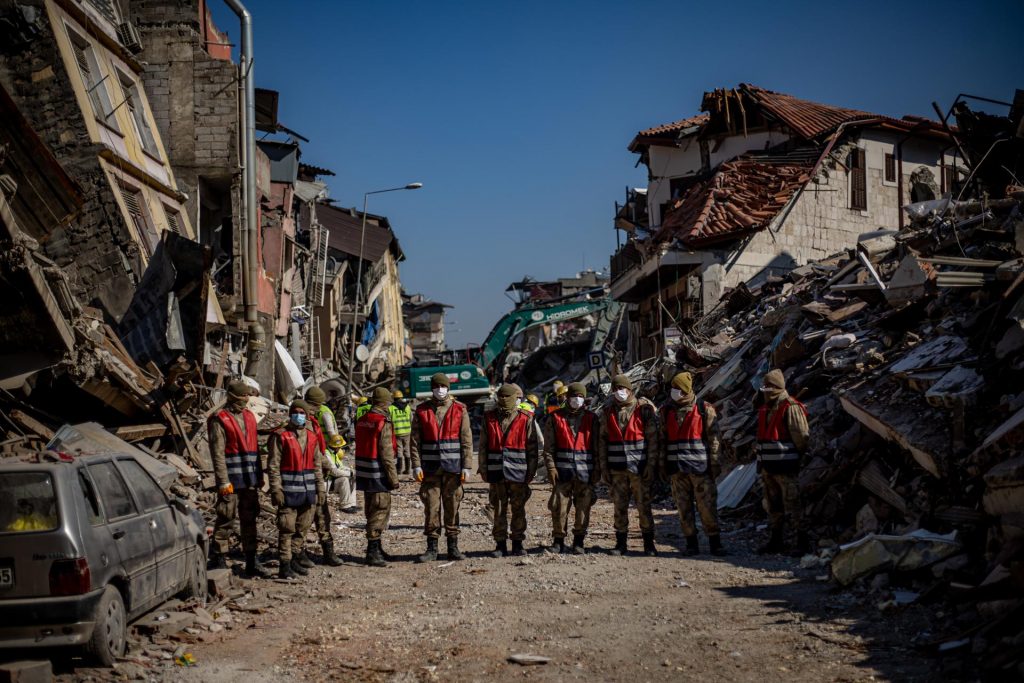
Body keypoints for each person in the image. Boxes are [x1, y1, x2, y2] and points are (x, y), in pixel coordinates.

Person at [207, 380, 271, 577]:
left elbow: (256, 450)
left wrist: (260, 477)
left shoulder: (249, 417)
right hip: (231, 479)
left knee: (250, 518)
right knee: (226, 515)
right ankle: (218, 556)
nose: (246, 401)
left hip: (249, 478)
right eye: (243, 397)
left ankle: (252, 560)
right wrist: (223, 481)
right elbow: (217, 453)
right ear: (234, 397)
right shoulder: (219, 419)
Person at [660, 372, 726, 556]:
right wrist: (662, 465)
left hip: (700, 470)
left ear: (685, 390)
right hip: (677, 469)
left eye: (677, 388)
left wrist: (714, 464)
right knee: (683, 509)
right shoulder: (667, 411)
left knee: (707, 507)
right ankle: (691, 543)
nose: (674, 392)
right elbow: (662, 440)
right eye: (672, 388)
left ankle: (715, 542)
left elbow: (714, 440)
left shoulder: (704, 409)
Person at [410, 372, 474, 562]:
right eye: (436, 386)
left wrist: (467, 466)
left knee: (453, 506)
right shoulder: (421, 411)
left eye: (443, 386)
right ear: (432, 389)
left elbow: (466, 440)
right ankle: (432, 548)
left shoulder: (459, 409)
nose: (440, 390)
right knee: (431, 507)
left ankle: (453, 547)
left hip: (453, 469)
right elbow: (414, 442)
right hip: (429, 469)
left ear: (448, 388)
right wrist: (415, 465)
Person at [597, 374, 660, 556]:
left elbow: (653, 440)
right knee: (619, 506)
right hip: (617, 469)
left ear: (629, 390)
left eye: (621, 389)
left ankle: (649, 544)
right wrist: (604, 468)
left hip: (639, 468)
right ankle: (620, 543)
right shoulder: (608, 412)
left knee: (643, 505)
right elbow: (602, 442)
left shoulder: (643, 410)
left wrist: (651, 465)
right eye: (615, 389)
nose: (619, 393)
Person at [479, 383, 540, 557]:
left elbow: (532, 448)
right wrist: (483, 468)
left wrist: (531, 472)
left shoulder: (525, 418)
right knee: (498, 509)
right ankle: (500, 544)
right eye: (501, 396)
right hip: (496, 472)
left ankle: (518, 543)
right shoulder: (489, 418)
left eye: (508, 396)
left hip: (518, 474)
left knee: (518, 508)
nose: (504, 399)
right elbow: (482, 446)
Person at [267, 401, 325, 579]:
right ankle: (284, 564)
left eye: (302, 412)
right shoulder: (280, 436)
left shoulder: (311, 436)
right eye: (295, 412)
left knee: (303, 527)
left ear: (307, 415)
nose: (298, 415)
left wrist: (320, 489)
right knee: (287, 528)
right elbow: (273, 466)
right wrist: (276, 489)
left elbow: (317, 466)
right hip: (288, 492)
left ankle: (294, 559)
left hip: (307, 492)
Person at [755, 369, 810, 556]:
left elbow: (801, 437)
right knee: (773, 506)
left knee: (792, 504)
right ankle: (776, 540)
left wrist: (797, 457)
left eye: (769, 387)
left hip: (786, 467)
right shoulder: (766, 408)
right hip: (768, 468)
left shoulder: (790, 407)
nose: (765, 390)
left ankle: (801, 542)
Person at [542, 382, 598, 554]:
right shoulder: (555, 418)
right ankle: (558, 540)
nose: (577, 399)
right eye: (574, 396)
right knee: (559, 507)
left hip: (585, 473)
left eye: (581, 396)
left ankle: (579, 541)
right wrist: (551, 468)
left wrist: (598, 470)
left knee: (583, 508)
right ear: (567, 397)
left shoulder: (592, 419)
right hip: (562, 473)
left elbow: (598, 447)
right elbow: (548, 448)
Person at [355, 388, 400, 567]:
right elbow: (386, 453)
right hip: (379, 474)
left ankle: (378, 548)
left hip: (364, 474)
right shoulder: (382, 422)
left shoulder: (362, 420)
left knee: (371, 509)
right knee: (380, 511)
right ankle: (372, 552)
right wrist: (394, 478)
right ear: (385, 403)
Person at [305, 386, 345, 566]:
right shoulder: (301, 424)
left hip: (318, 474)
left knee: (322, 514)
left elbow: (317, 452)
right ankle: (296, 555)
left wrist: (328, 466)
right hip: (303, 476)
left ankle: (329, 552)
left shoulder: (314, 421)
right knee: (303, 518)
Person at [390, 390, 413, 475]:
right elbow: (411, 419)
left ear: (394, 398)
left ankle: (399, 470)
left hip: (397, 432)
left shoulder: (391, 408)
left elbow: (389, 420)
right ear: (401, 398)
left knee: (399, 450)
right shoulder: (407, 407)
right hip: (407, 432)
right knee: (407, 450)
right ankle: (408, 470)